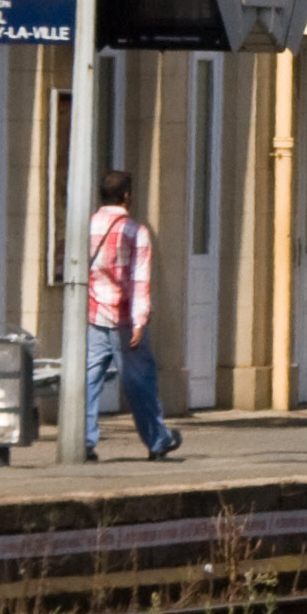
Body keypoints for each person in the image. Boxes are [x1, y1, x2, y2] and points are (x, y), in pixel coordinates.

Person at [83, 167, 179, 460]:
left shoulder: (86, 225)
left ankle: (83, 441)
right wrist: (140, 320)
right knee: (139, 381)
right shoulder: (136, 231)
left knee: (88, 379)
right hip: (124, 318)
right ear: (126, 196)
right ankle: (157, 440)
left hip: (94, 314)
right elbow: (138, 280)